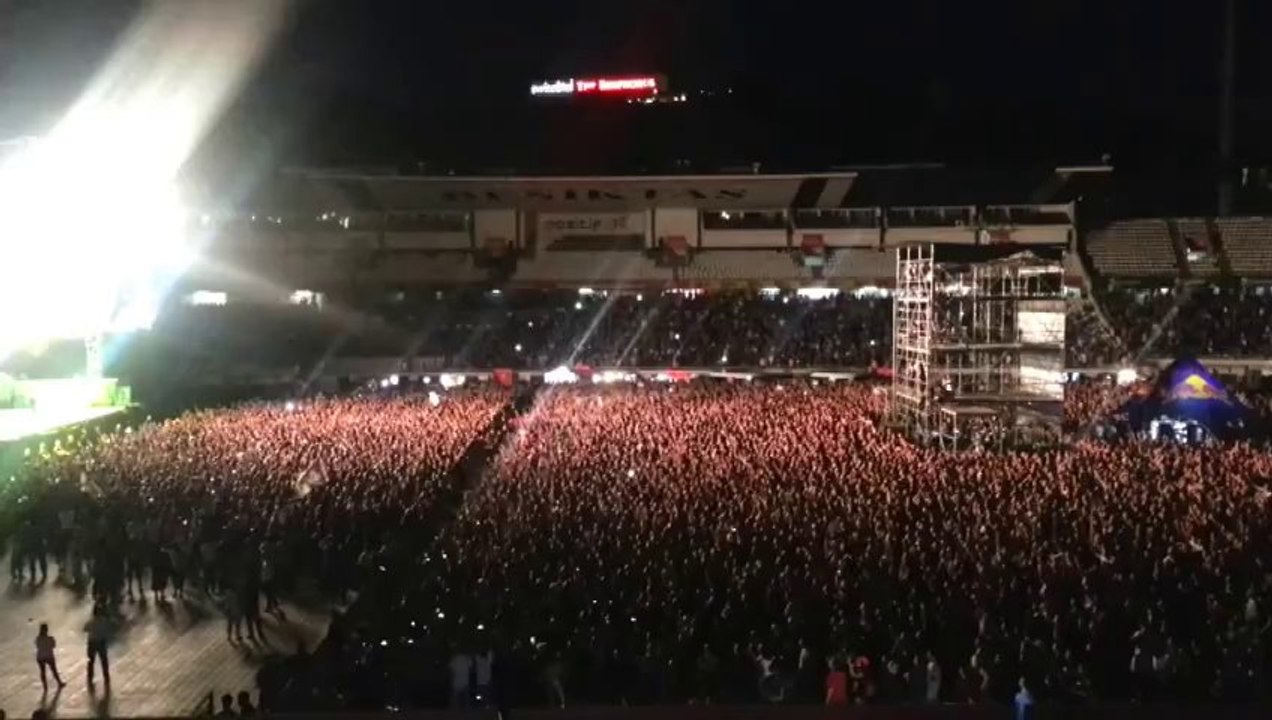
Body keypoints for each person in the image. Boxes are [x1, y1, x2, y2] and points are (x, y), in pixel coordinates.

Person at [34, 624, 65, 692]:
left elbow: (37, 645)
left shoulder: (38, 638)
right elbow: (53, 646)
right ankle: (59, 682)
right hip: (49, 656)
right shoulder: (50, 638)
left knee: (42, 671)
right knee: (54, 670)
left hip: (40, 656)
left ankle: (45, 686)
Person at [86, 604, 111, 686]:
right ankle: (106, 677)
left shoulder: (91, 621)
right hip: (101, 642)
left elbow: (85, 629)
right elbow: (107, 630)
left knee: (91, 661)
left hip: (92, 642)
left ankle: (90, 677)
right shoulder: (104, 621)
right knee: (104, 661)